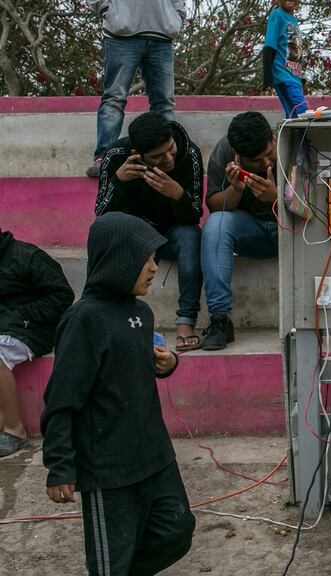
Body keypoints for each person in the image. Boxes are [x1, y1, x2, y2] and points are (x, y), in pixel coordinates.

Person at [41, 213, 195, 575]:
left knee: (177, 530)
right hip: (108, 469)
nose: (155, 268)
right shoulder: (84, 321)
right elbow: (61, 400)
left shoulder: (140, 313)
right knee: (111, 562)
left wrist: (168, 363)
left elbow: (136, 369)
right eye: (146, 259)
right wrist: (59, 465)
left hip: (153, 455)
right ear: (118, 259)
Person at [95, 111, 205, 351]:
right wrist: (118, 181)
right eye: (157, 156)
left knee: (191, 235)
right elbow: (102, 216)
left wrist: (177, 194)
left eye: (170, 148)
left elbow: (194, 214)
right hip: (135, 235)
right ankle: (114, 321)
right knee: (103, 234)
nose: (168, 158)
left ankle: (186, 322)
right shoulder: (116, 156)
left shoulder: (190, 153)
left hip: (174, 233)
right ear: (138, 155)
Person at [201, 112, 279, 350]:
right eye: (256, 160)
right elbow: (214, 207)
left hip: (291, 232)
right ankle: (220, 320)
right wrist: (235, 189)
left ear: (273, 138)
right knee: (216, 225)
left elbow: (315, 209)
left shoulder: (293, 143)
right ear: (238, 156)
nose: (266, 163)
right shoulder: (224, 152)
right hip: (251, 232)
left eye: (268, 154)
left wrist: (275, 198)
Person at [86, 0, 186, 178]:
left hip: (162, 34)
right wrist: (106, 9)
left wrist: (177, 16)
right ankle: (104, 158)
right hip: (121, 33)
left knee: (164, 103)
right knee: (114, 98)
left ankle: (171, 159)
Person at [0, 228, 74, 458]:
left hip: (33, 329)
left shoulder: (28, 256)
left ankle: (14, 430)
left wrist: (17, 315)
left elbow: (62, 296)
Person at [262, 0, 308, 118]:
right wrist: (268, 77)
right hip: (283, 74)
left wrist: (299, 75)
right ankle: (303, 137)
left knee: (293, 115)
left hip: (294, 77)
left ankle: (295, 136)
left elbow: (295, 49)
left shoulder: (293, 20)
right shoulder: (276, 15)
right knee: (301, 108)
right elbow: (269, 46)